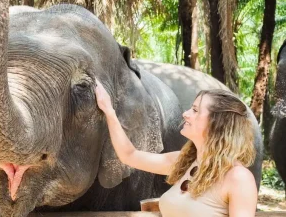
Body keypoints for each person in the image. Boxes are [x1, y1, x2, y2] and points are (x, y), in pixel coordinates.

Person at [95, 80, 257, 217]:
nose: (185, 114)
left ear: (217, 123)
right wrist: (109, 111)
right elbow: (129, 155)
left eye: (195, 110)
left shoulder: (238, 178)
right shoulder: (184, 161)